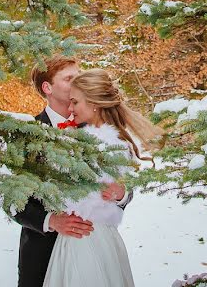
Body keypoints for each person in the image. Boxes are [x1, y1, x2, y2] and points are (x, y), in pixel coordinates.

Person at [12, 56, 133, 287]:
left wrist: (121, 194)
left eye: (79, 74)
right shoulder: (26, 134)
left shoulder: (97, 126)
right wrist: (51, 221)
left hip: (93, 250)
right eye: (69, 78)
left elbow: (124, 181)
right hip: (41, 254)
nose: (78, 80)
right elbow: (13, 201)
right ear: (47, 87)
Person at [42, 69, 162, 287]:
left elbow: (84, 192)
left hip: (88, 238)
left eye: (75, 102)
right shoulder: (86, 139)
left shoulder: (108, 144)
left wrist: (120, 192)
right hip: (76, 237)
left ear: (94, 103)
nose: (70, 108)